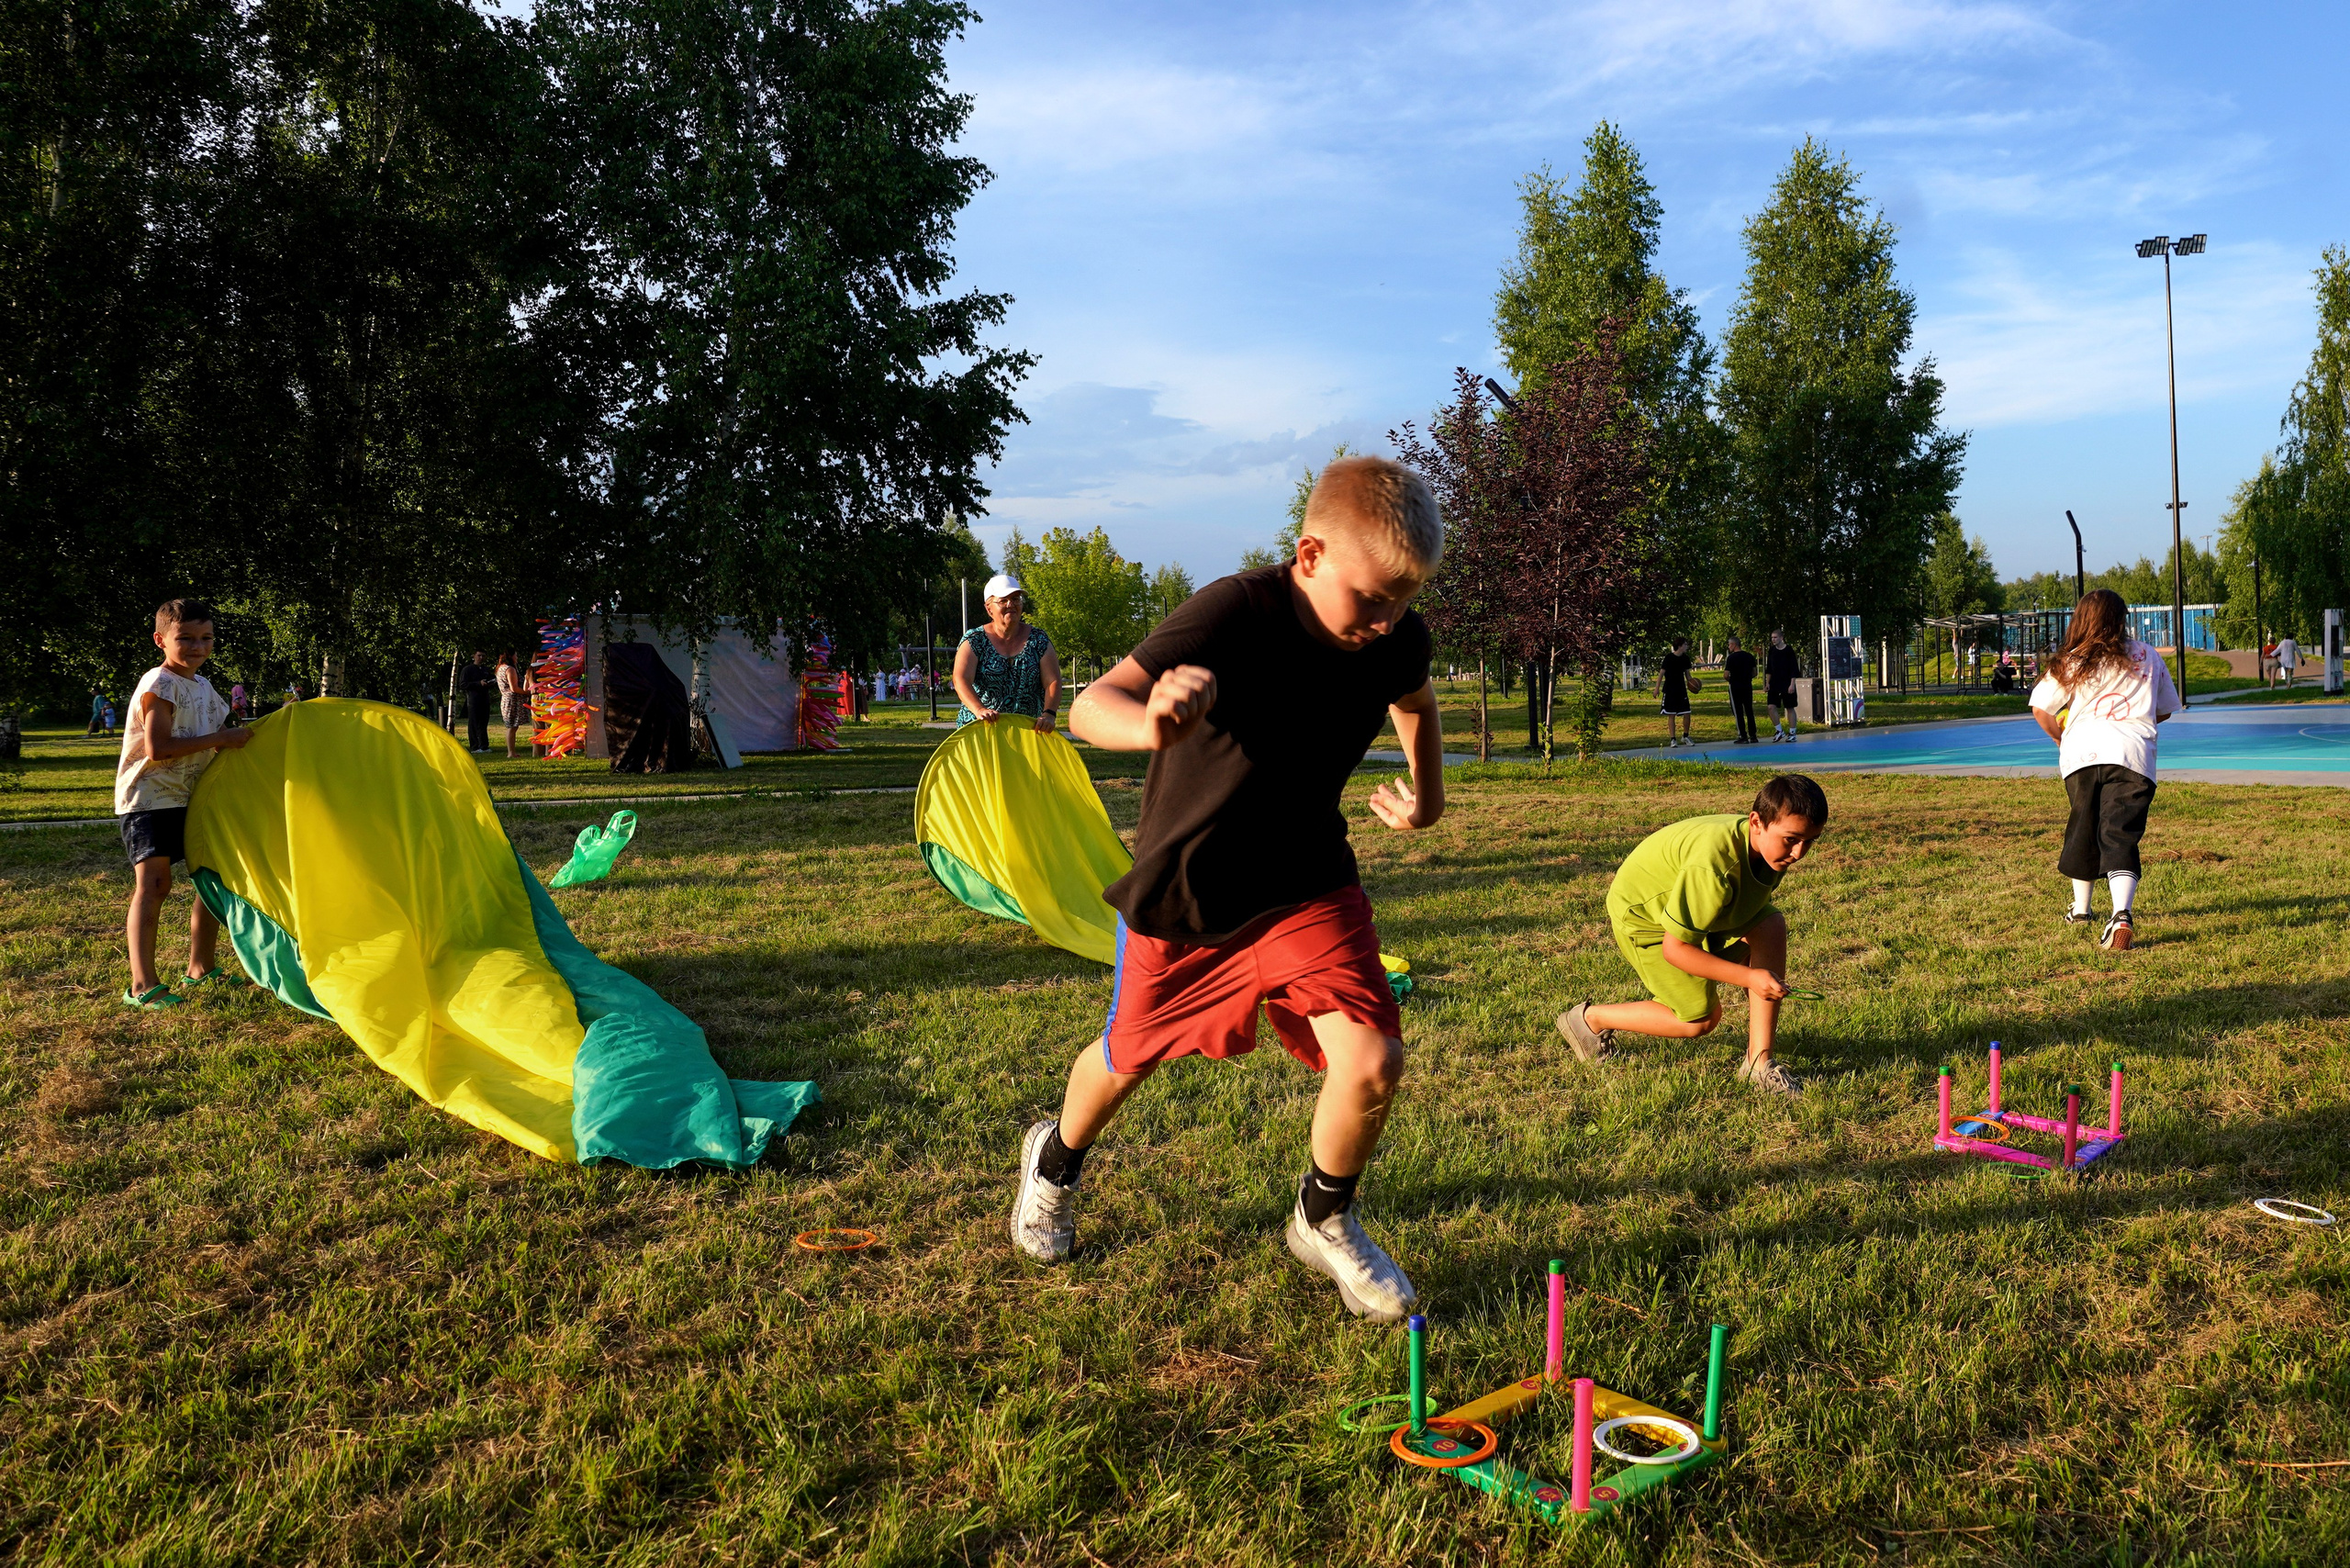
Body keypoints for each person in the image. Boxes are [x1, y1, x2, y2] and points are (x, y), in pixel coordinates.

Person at [1009, 455, 1446, 1322]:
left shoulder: (1395, 635)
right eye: (1372, 599)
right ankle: (1053, 1162)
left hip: (1306, 881)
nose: (1387, 621)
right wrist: (1151, 722)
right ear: (1310, 554)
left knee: (1373, 1060)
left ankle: (1324, 1218)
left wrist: (1427, 802)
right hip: (1190, 890)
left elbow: (1417, 702)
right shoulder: (1236, 611)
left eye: (1403, 601)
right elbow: (1094, 705)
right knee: (1126, 1059)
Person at [1557, 774, 1828, 1099]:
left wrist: (1746, 964)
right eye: (1792, 839)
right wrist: (1749, 976)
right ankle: (1590, 1019)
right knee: (1700, 1019)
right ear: (1757, 822)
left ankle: (1759, 1065)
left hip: (1699, 908)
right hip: (1646, 919)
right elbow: (1676, 949)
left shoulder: (1770, 849)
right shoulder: (1714, 865)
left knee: (1770, 926)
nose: (1799, 852)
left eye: (1810, 841)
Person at [115, 599, 254, 1009]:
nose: (197, 646)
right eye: (186, 638)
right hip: (151, 798)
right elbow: (158, 748)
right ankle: (142, 986)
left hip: (196, 795)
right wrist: (222, 739)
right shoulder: (160, 683)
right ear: (161, 640)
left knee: (209, 881)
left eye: (206, 638)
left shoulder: (204, 687)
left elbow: (223, 734)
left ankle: (200, 968)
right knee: (155, 885)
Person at [2029, 588, 2181, 952]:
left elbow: (2041, 709)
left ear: (2081, 619)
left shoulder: (2072, 658)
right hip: (2132, 755)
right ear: (2122, 619)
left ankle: (2081, 910)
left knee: (2083, 826)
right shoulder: (2147, 655)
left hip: (2081, 754)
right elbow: (2164, 709)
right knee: (2119, 833)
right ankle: (2121, 914)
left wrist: (2061, 737)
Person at [953, 574, 1064, 733]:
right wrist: (979, 710)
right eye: (1003, 600)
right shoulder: (974, 640)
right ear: (989, 608)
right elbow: (961, 679)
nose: (1010, 604)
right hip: (981, 731)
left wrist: (1049, 714)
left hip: (1027, 731)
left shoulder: (1039, 639)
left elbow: (1052, 681)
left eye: (1016, 599)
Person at [1659, 636, 1698, 746]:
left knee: (1687, 713)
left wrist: (1693, 685)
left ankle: (1685, 736)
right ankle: (1673, 739)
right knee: (1671, 714)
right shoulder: (1669, 658)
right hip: (1670, 689)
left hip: (1681, 689)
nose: (1687, 646)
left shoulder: (1685, 658)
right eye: (1685, 644)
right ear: (1680, 646)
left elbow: (1687, 675)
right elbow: (1661, 674)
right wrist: (1657, 689)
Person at [1764, 630, 1800, 741]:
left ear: (1781, 638)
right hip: (1774, 683)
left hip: (1787, 682)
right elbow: (1769, 668)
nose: (1773, 639)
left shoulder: (1788, 650)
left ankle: (1792, 733)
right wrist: (1767, 683)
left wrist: (1792, 684)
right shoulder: (1772, 650)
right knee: (1771, 707)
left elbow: (1794, 668)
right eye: (1772, 637)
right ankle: (1779, 731)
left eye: (1775, 637)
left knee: (1789, 707)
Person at [1723, 635, 1759, 744]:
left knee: (1738, 711)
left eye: (1729, 644)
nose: (1729, 646)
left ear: (1734, 645)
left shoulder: (1731, 658)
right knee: (1749, 710)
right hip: (1747, 685)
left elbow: (1726, 675)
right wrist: (1747, 678)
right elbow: (1755, 672)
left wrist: (1731, 680)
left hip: (1735, 686)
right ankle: (1753, 735)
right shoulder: (1749, 656)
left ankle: (1743, 735)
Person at [460, 651, 494, 752]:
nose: (481, 658)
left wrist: (491, 683)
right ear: (473, 656)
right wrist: (478, 683)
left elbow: (491, 680)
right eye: (479, 655)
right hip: (473, 700)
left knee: (484, 723)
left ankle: (484, 745)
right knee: (474, 723)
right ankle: (474, 746)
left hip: (485, 698)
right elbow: (463, 684)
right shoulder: (467, 669)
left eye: (483, 656)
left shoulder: (485, 669)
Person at [496, 652, 525, 757]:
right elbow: (514, 688)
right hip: (512, 701)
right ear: (510, 656)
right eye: (515, 655)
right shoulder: (510, 669)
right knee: (512, 727)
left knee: (512, 726)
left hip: (506, 700)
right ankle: (511, 752)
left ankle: (512, 751)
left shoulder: (500, 668)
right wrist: (527, 692)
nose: (517, 657)